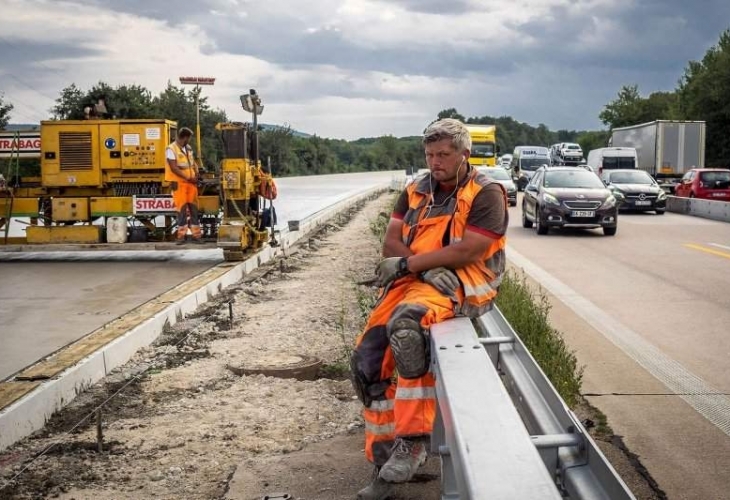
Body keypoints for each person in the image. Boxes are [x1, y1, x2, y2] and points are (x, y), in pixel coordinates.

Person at [352, 118, 509, 500]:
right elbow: (391, 241)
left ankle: (414, 441)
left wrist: (414, 265)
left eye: (443, 154)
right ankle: (385, 463)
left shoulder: (487, 193)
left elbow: (469, 250)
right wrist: (421, 265)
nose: (435, 161)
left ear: (464, 154)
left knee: (407, 328)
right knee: (368, 358)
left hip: (464, 282)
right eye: (429, 154)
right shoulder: (416, 190)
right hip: (420, 278)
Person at [165, 127, 202, 243]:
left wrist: (197, 173)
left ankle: (196, 236)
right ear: (185, 138)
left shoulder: (188, 148)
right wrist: (189, 178)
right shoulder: (171, 149)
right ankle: (181, 237)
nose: (189, 140)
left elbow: (192, 163)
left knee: (194, 209)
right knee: (181, 210)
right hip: (179, 183)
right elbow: (174, 168)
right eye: (189, 138)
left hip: (191, 183)